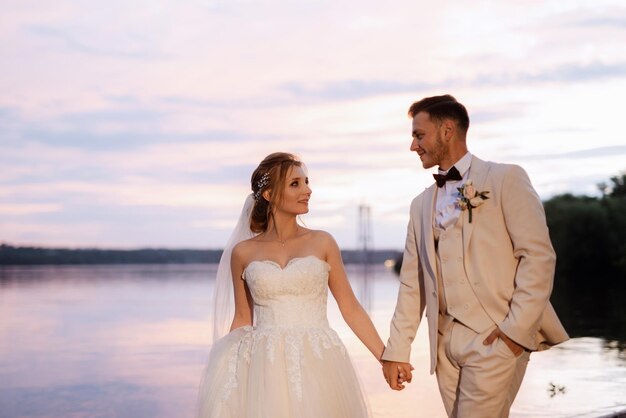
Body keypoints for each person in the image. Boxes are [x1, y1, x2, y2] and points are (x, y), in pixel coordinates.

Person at [381, 95, 569, 417]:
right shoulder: (420, 205)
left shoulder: (505, 178)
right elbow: (412, 284)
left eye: (418, 134)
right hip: (444, 346)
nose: (413, 145)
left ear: (447, 130)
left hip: (495, 335)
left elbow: (537, 258)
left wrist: (514, 331)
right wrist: (397, 350)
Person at [197, 152, 385, 418]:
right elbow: (242, 317)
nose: (308, 190)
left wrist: (385, 357)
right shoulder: (243, 253)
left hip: (319, 358)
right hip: (265, 363)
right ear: (269, 195)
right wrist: (229, 372)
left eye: (307, 182)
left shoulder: (323, 242)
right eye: (295, 184)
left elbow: (350, 307)